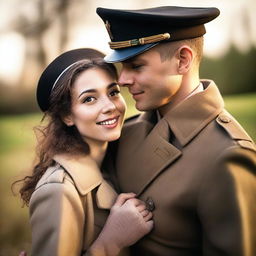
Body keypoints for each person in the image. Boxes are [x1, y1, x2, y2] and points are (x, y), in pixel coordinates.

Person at [96, 6, 256, 256]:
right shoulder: (125, 133)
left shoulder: (228, 156)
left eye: (136, 66)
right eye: (122, 67)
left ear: (183, 60)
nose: (123, 79)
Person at [17, 48, 153, 256]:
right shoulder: (58, 190)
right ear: (66, 116)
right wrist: (112, 241)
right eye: (89, 99)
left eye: (113, 92)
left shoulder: (113, 161)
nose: (109, 106)